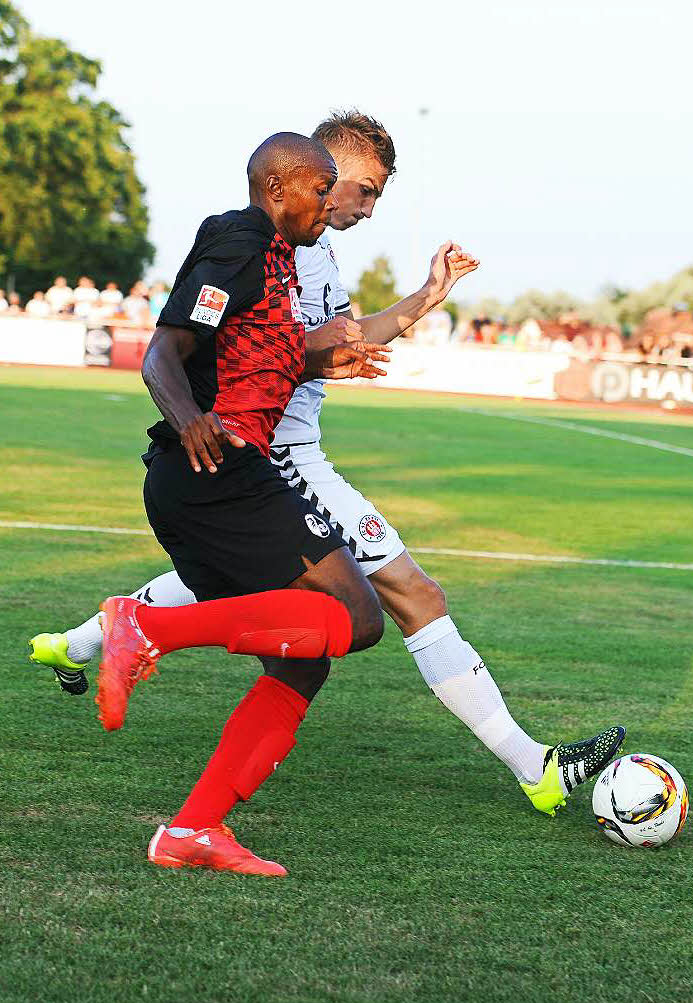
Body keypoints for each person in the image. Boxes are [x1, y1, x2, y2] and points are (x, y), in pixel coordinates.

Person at [31, 114, 624, 839]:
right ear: (316, 178)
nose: (365, 208)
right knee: (401, 599)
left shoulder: (309, 255)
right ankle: (533, 768)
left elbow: (324, 340)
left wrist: (421, 300)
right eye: (360, 190)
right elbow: (184, 345)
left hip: (269, 460)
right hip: (272, 459)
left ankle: (93, 654)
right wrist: (224, 399)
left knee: (266, 614)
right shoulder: (255, 243)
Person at [39, 131, 390, 877]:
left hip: (209, 480)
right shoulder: (238, 238)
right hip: (216, 473)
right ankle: (142, 623)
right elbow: (167, 351)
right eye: (318, 188)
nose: (329, 202)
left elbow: (254, 352)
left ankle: (193, 831)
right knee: (357, 619)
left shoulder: (274, 258)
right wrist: (186, 418)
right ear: (276, 189)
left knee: (301, 665)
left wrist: (322, 356)